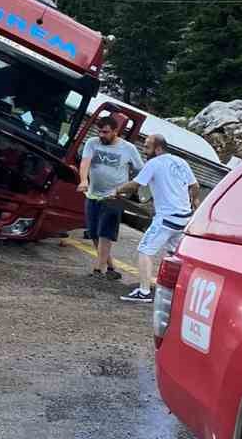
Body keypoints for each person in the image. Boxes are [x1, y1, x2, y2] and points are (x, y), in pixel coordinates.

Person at [113, 133, 200, 304]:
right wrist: (194, 201)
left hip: (166, 218)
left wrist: (117, 190)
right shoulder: (181, 161)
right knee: (177, 255)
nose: (144, 150)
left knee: (145, 251)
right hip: (183, 218)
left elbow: (136, 185)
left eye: (147, 147)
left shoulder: (153, 163)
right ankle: (180, 292)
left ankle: (144, 291)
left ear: (158, 148)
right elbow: (195, 186)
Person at [78, 115, 142, 280]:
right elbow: (85, 162)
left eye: (105, 132)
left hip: (114, 197)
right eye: (99, 131)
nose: (101, 135)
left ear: (115, 131)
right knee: (93, 233)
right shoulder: (92, 143)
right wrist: (84, 180)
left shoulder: (128, 149)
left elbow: (140, 171)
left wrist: (130, 188)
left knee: (105, 233)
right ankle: (111, 267)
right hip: (92, 194)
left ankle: (98, 270)